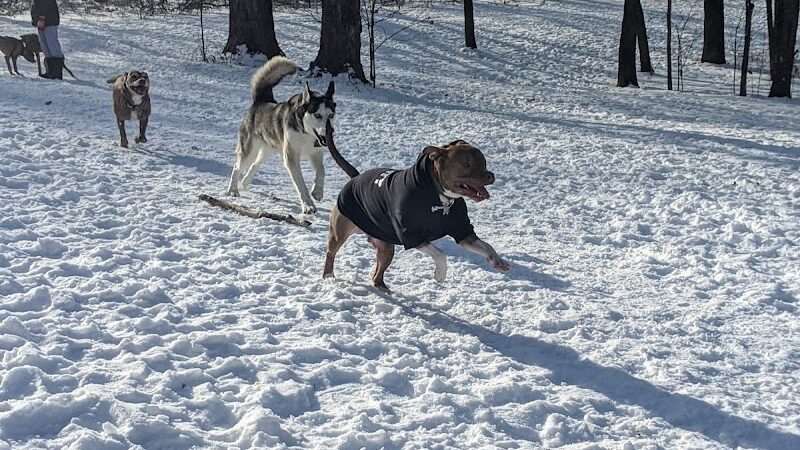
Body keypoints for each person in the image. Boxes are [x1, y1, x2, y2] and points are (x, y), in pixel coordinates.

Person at [30, 0, 63, 79]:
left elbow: (47, 3)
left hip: (49, 21)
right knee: (45, 45)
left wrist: (42, 17)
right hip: (40, 21)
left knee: (52, 44)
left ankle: (57, 72)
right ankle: (50, 71)